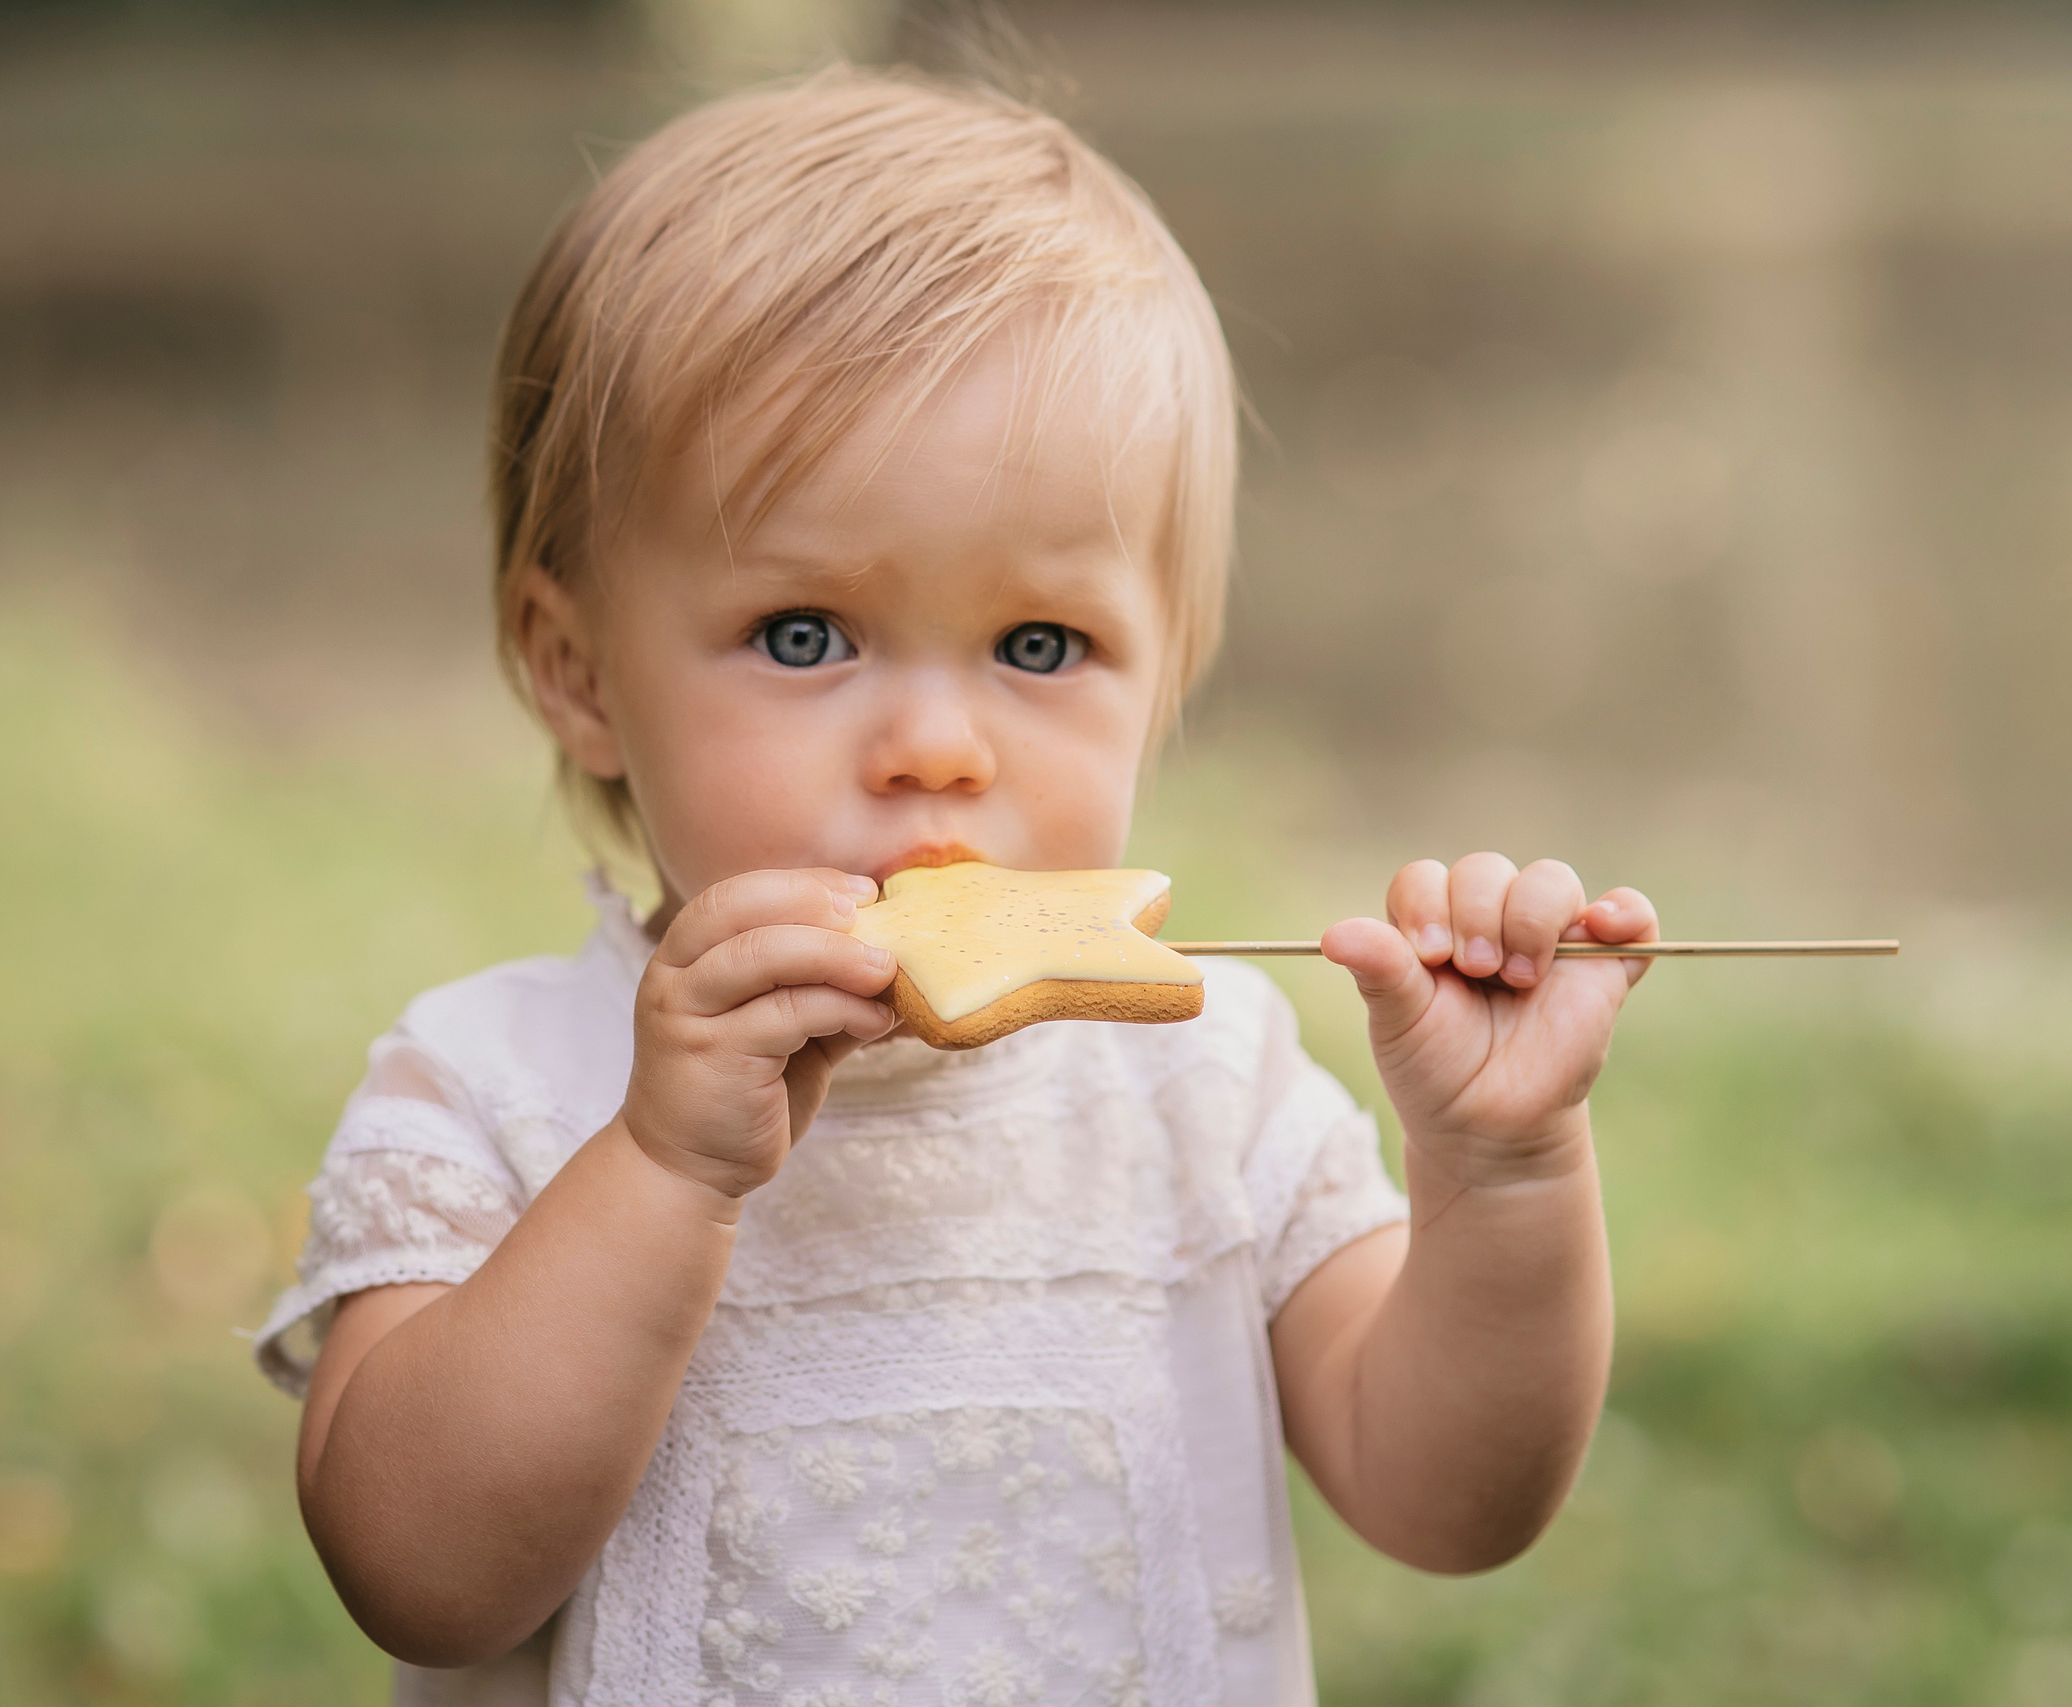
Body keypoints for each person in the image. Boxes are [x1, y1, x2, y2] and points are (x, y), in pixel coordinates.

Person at [255, 65, 1658, 1707]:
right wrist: (660, 1167)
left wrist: (1500, 1174)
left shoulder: (1211, 1084)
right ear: (577, 672)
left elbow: (1451, 1501)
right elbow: (417, 1575)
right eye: (804, 635)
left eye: (1040, 646)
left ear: (1167, 675)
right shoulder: (500, 1089)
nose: (936, 746)